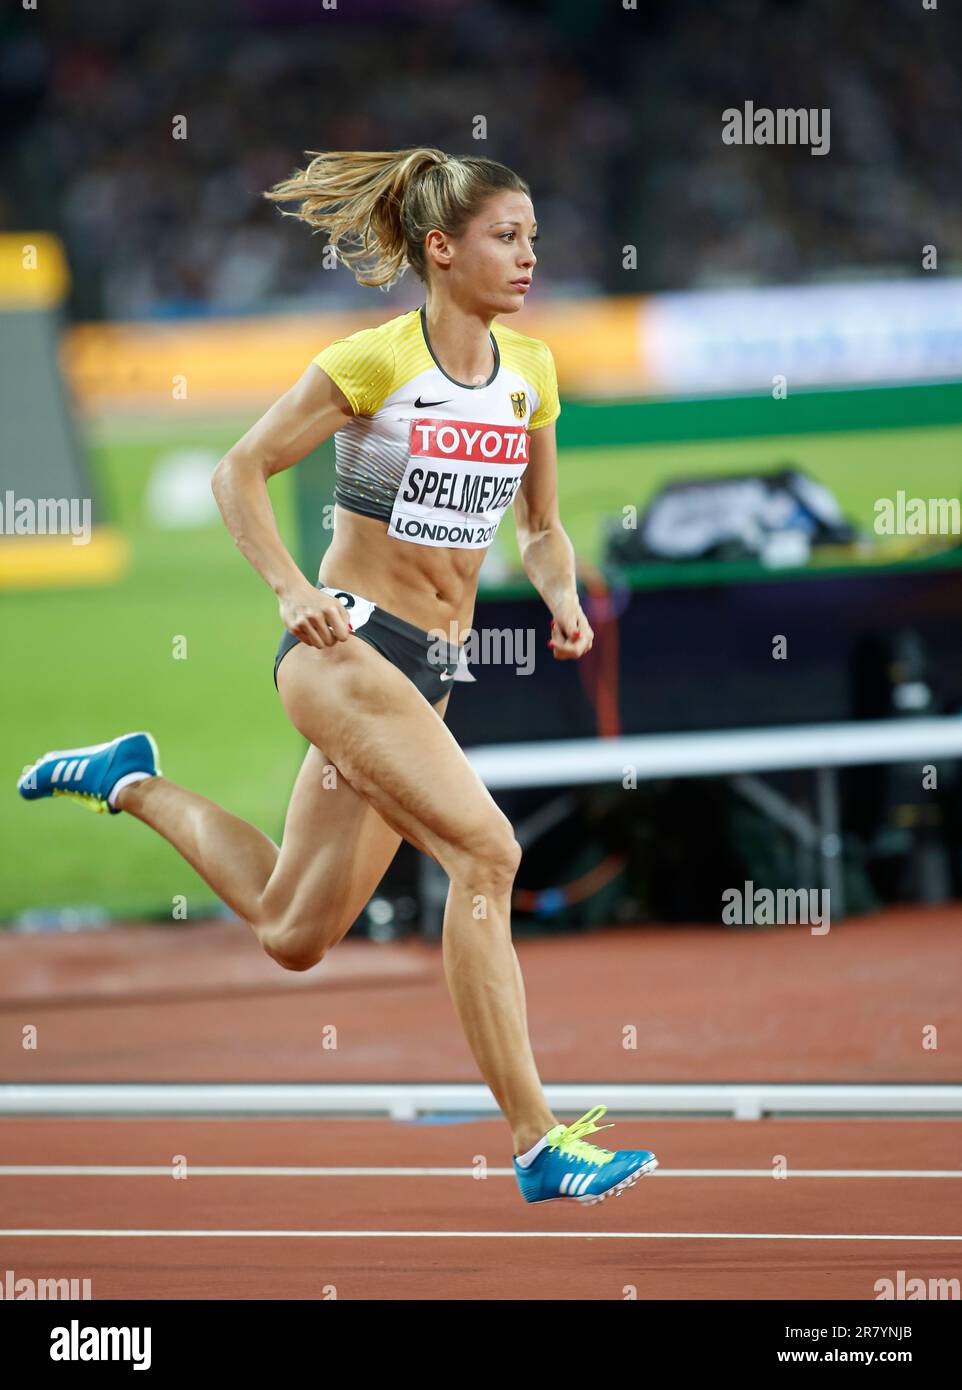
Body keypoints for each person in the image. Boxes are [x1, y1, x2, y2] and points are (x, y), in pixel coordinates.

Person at [18, 147, 657, 1204]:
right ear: (440, 249)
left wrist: (555, 590)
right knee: (486, 852)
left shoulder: (531, 374)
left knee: (292, 930)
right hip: (345, 648)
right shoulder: (373, 363)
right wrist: (284, 588)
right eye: (507, 236)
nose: (528, 256)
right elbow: (238, 470)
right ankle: (537, 1141)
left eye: (534, 237)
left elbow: (540, 528)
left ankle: (128, 780)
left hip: (432, 671)